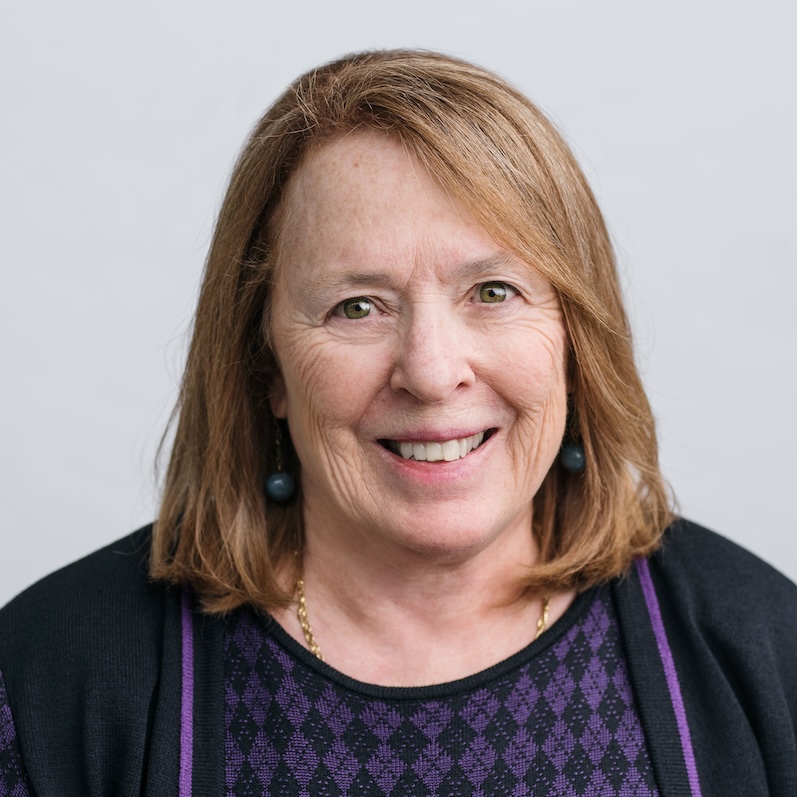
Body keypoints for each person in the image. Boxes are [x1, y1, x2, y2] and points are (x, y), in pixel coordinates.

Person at [1, 49, 795, 797]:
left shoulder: (761, 647)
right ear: (264, 367)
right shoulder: (47, 675)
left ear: (574, 339)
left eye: (492, 291)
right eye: (357, 306)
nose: (428, 369)